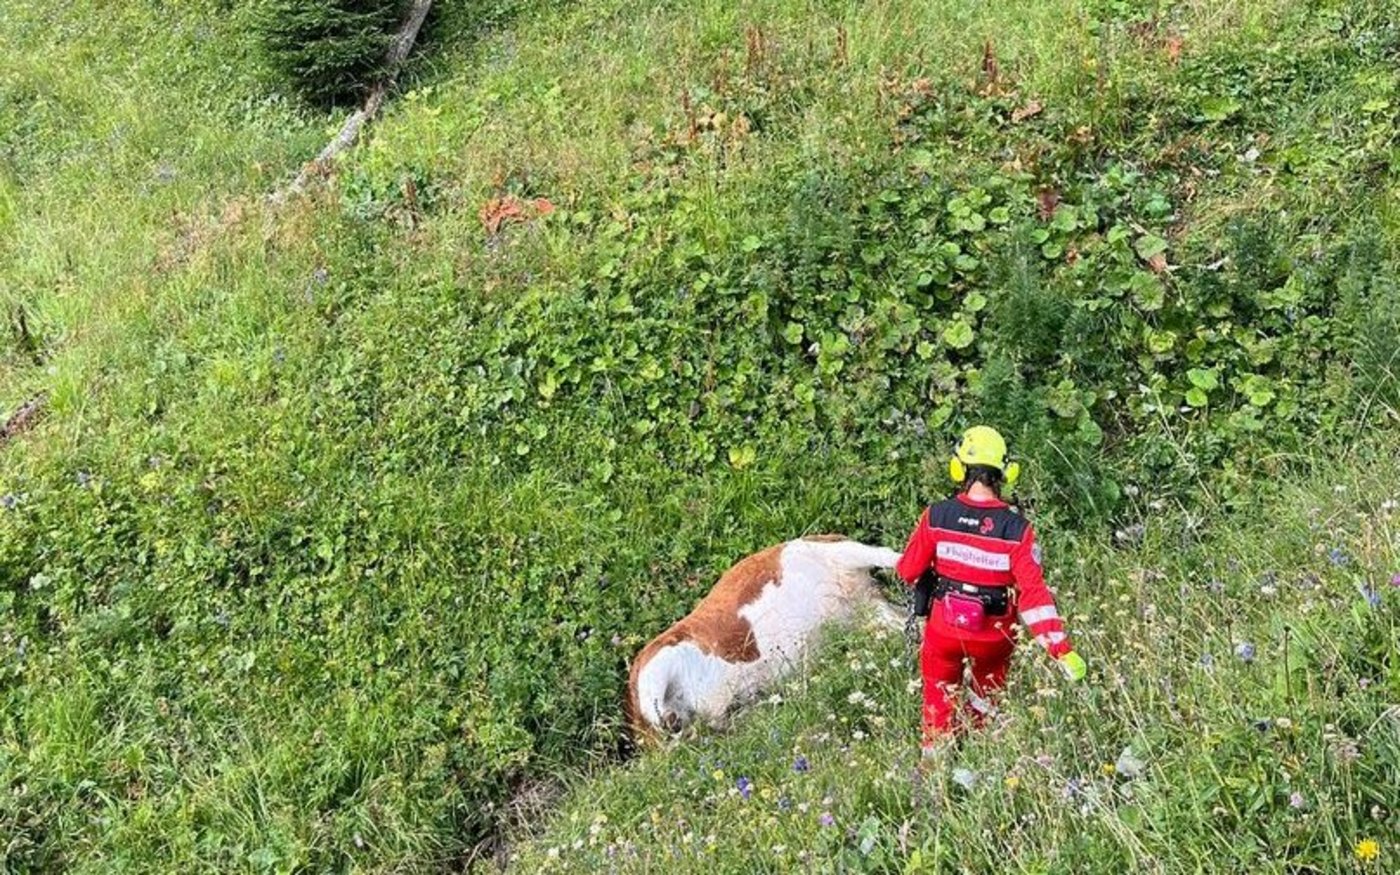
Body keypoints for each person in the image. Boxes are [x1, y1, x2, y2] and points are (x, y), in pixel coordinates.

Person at [895, 425, 1086, 754]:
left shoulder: (936, 515)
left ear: (959, 469)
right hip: (994, 636)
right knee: (986, 694)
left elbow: (907, 570)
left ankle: (933, 764)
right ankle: (975, 745)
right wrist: (1061, 650)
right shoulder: (1017, 529)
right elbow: (1034, 596)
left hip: (944, 630)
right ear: (1006, 473)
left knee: (938, 698)